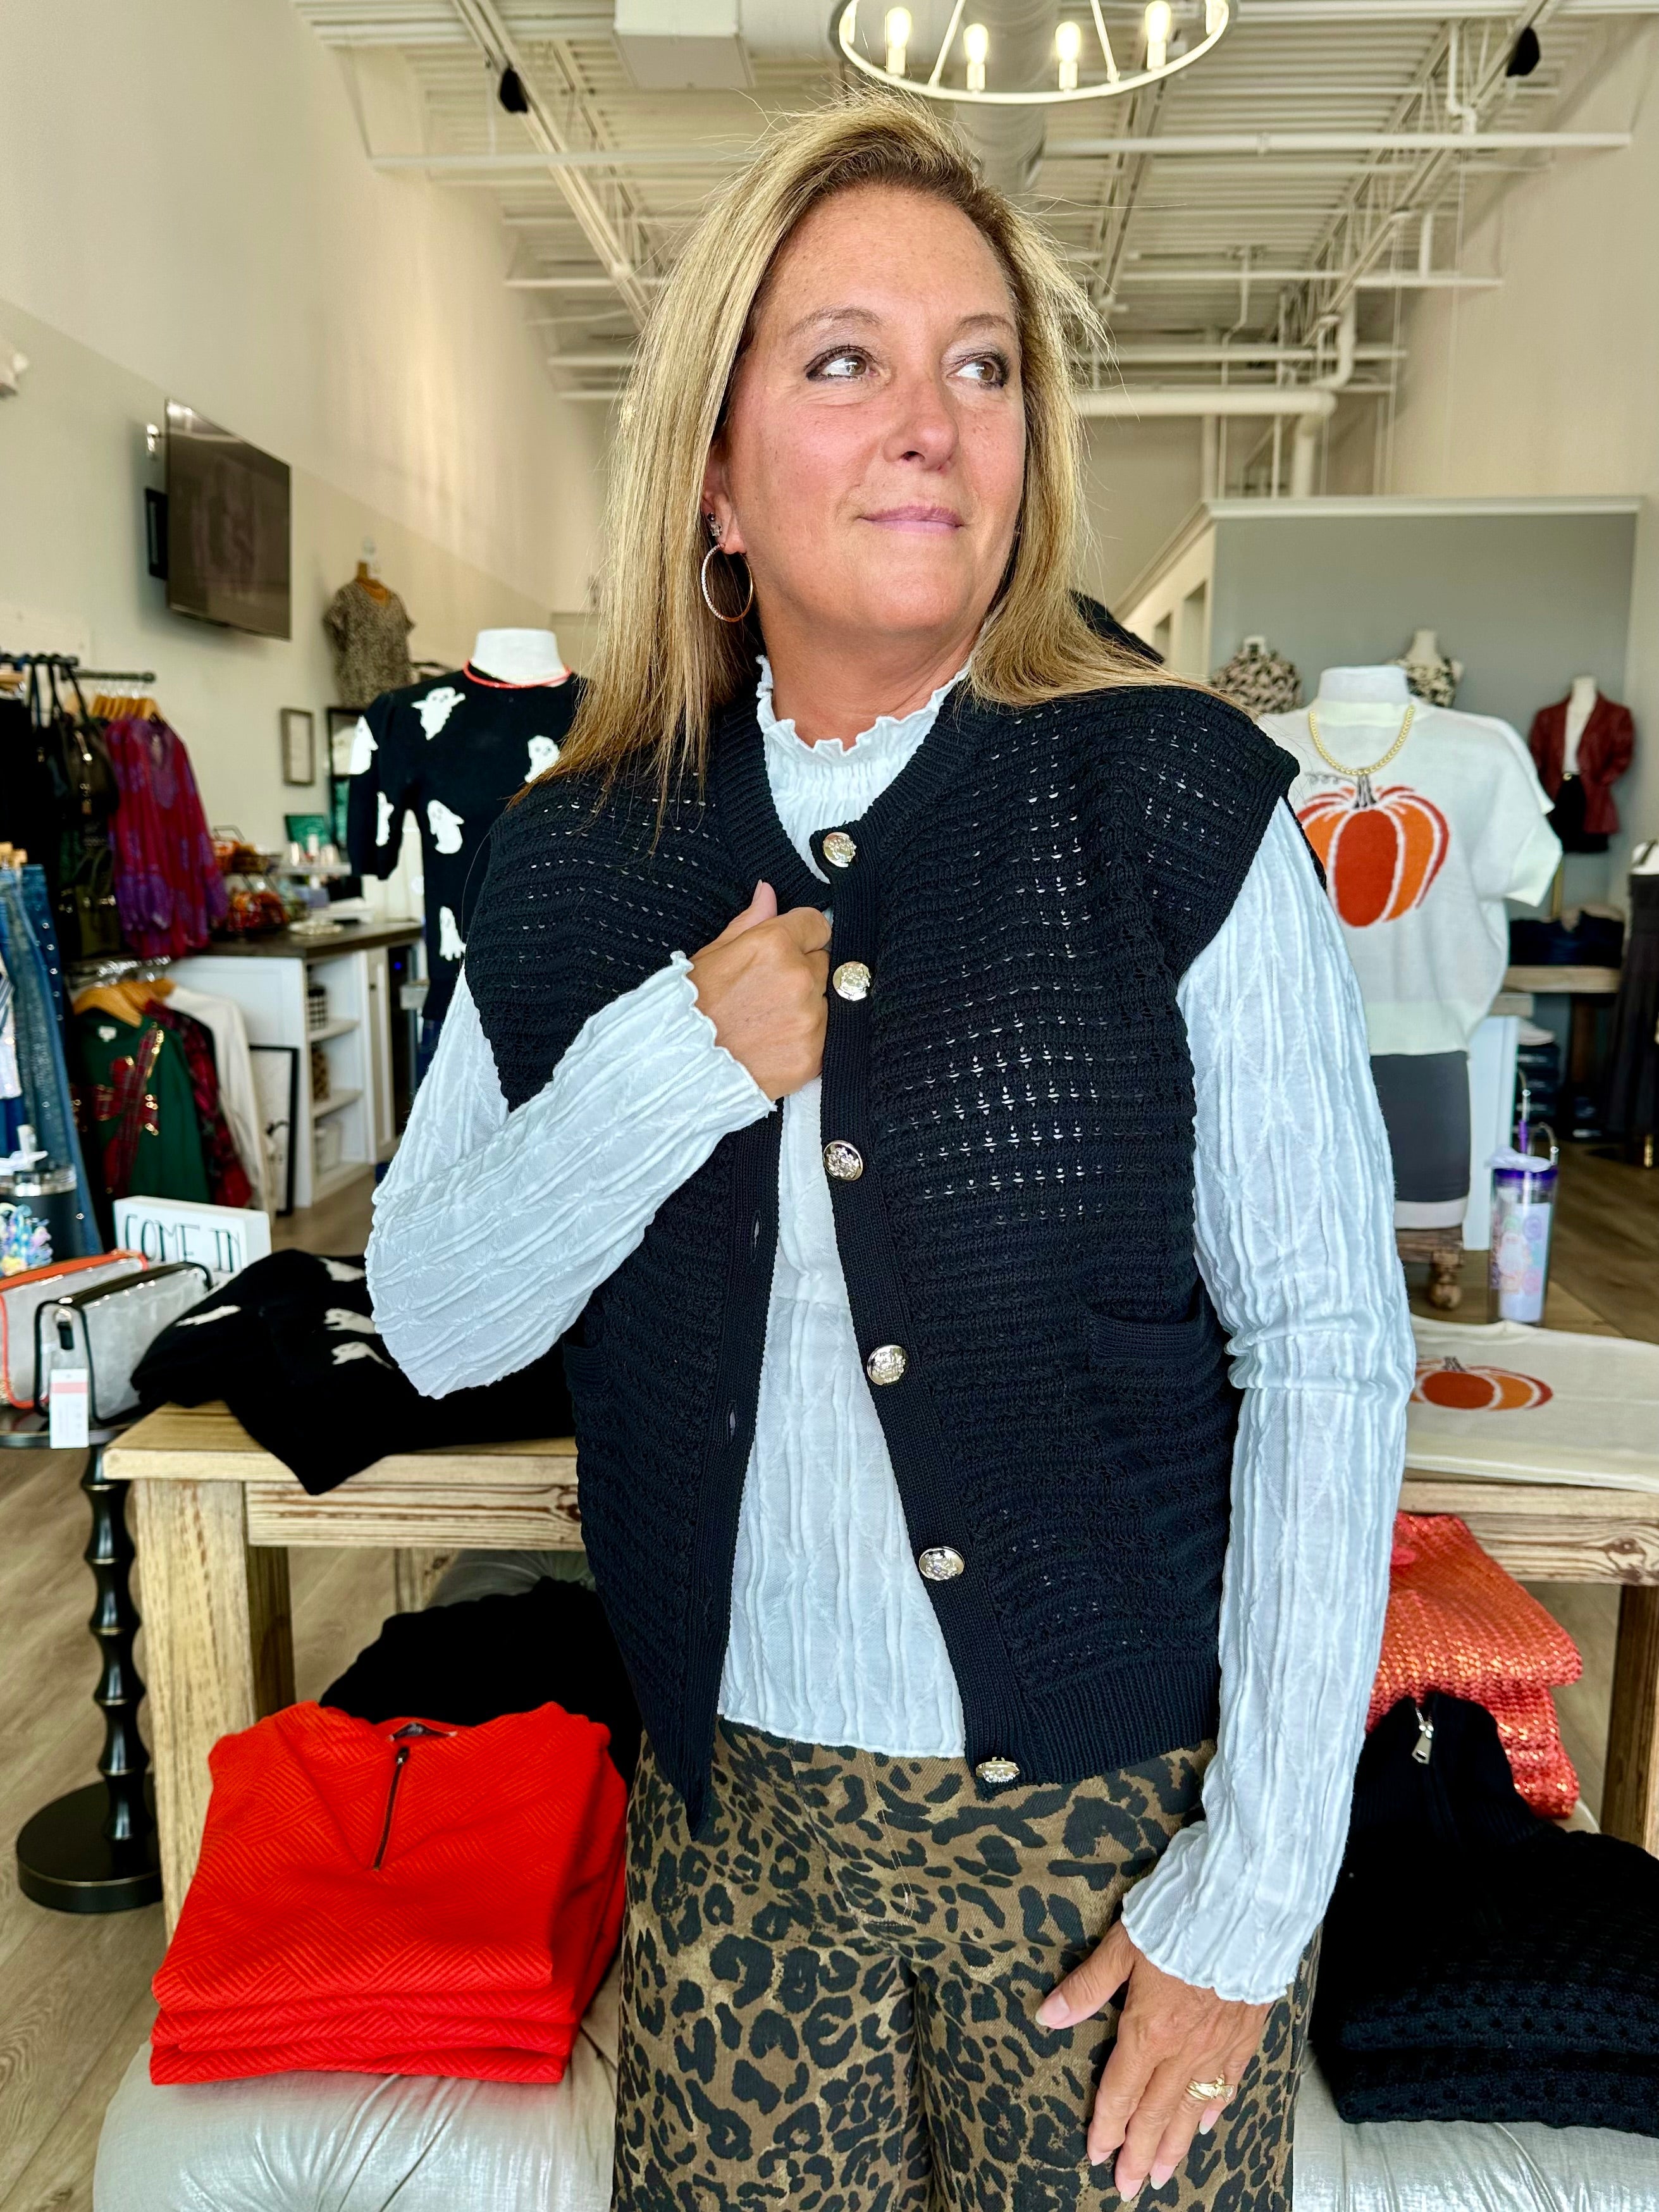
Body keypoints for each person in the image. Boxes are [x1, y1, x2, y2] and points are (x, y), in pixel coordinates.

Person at [367, 94, 1412, 2212]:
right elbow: (433, 1313)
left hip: (1113, 1840)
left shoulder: (1173, 799)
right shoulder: (574, 858)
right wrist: (684, 1052)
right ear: (715, 471)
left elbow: (1328, 1344)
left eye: (983, 366)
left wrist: (1252, 1892)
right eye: (846, 360)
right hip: (736, 1838)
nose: (932, 423)